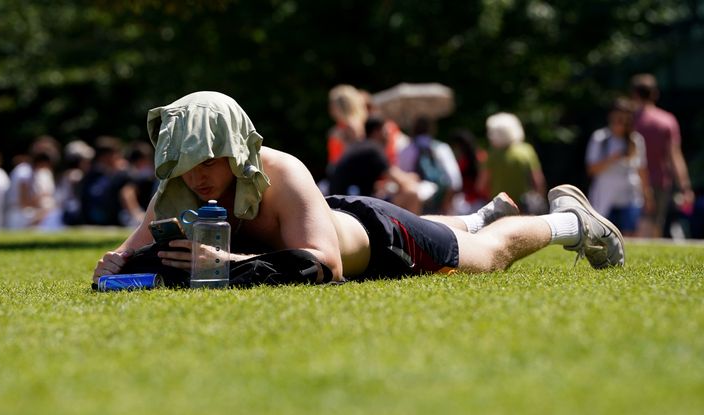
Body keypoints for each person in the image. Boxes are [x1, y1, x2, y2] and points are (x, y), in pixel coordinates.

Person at [93, 92, 624, 285]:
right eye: (184, 165)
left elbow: (326, 265)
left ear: (234, 151)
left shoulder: (285, 171)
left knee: (488, 256)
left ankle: (572, 222)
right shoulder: (182, 189)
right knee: (468, 231)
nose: (196, 177)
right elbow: (129, 251)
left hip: (381, 235)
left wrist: (226, 265)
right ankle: (478, 215)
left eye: (207, 162)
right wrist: (115, 265)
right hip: (339, 217)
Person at [630, 73, 694, 238]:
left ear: (634, 94)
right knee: (655, 224)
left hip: (631, 180)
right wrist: (685, 187)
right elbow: (675, 156)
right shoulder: (667, 121)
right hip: (659, 181)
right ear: (655, 94)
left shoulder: (628, 120)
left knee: (632, 225)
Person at [585, 98, 652, 237]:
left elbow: (641, 169)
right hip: (605, 197)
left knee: (629, 234)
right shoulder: (600, 138)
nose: (620, 122)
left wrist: (647, 195)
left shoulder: (636, 140)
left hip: (630, 196)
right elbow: (591, 169)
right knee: (604, 235)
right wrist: (612, 159)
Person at [477, 112, 547, 214]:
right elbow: (538, 181)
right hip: (524, 207)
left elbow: (481, 185)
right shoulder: (526, 150)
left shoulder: (493, 154)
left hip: (499, 208)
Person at [398, 117, 463, 215]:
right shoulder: (441, 148)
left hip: (413, 211)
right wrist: (444, 207)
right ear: (431, 129)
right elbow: (455, 181)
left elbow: (402, 180)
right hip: (440, 209)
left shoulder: (404, 151)